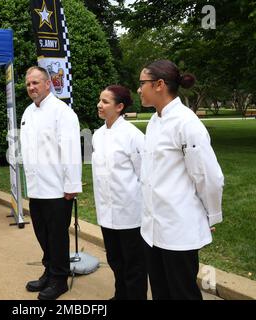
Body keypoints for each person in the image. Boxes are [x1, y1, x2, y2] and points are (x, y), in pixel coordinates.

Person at [137, 59, 224, 300]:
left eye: (142, 83)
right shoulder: (155, 121)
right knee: (161, 292)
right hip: (153, 230)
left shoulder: (187, 123)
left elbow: (208, 176)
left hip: (178, 229)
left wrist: (211, 214)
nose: (138, 89)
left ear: (159, 85)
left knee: (182, 293)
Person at [20, 66, 82, 300]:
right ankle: (49, 270)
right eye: (28, 84)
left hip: (57, 189)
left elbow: (71, 151)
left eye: (35, 83)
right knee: (42, 233)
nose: (31, 87)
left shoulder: (61, 112)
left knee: (56, 236)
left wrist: (71, 185)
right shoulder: (27, 112)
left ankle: (59, 279)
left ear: (48, 84)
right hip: (37, 188)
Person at [92, 85, 147, 300]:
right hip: (106, 211)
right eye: (100, 100)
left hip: (130, 212)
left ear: (120, 106)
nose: (100, 105)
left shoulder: (133, 136)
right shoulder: (97, 135)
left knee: (134, 263)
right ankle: (120, 295)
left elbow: (144, 175)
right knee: (115, 260)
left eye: (105, 102)